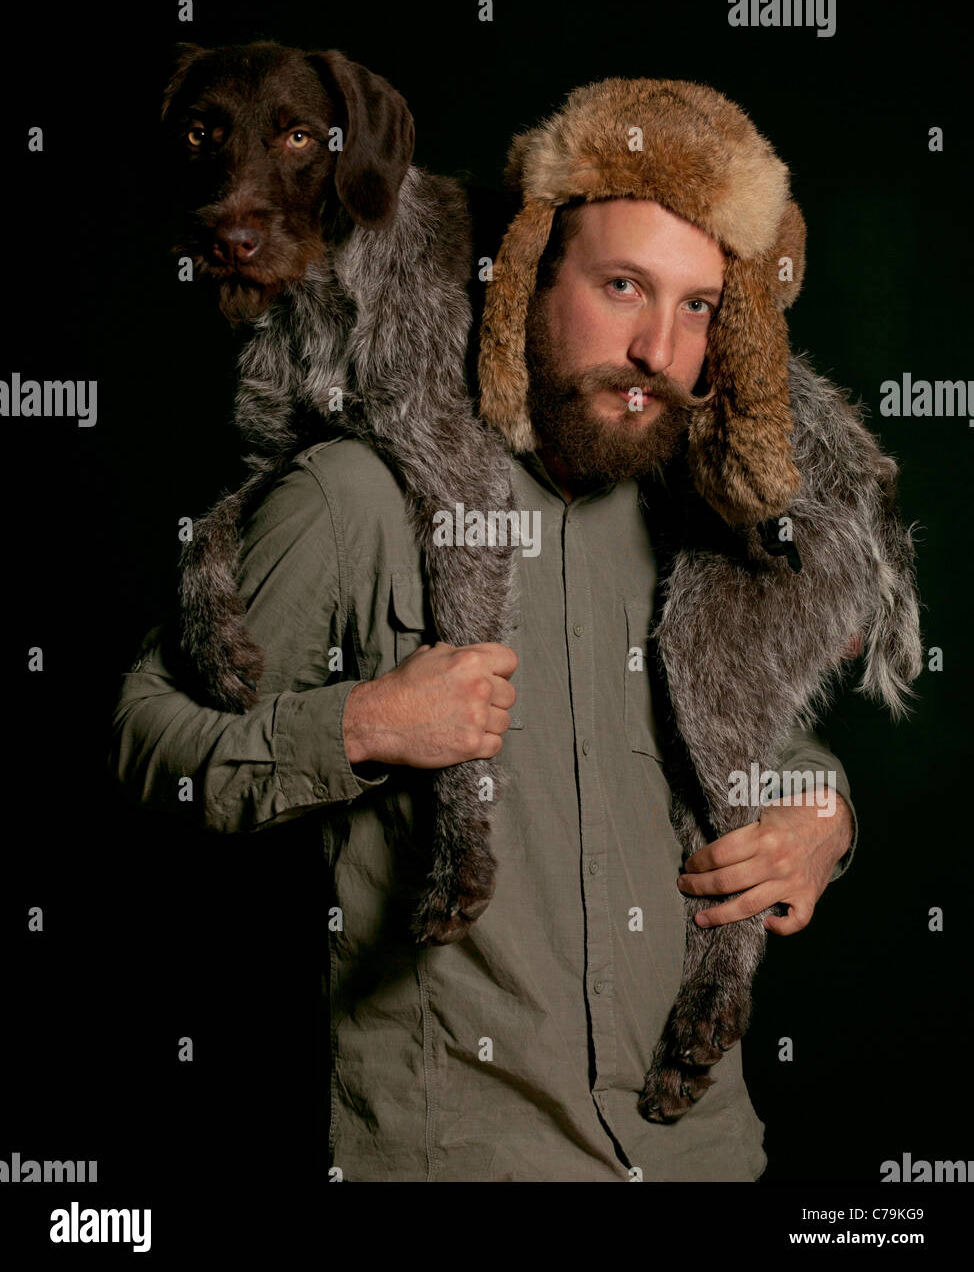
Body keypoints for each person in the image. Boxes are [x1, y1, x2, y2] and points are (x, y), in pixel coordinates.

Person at [112, 78, 921, 1182]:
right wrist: (358, 725)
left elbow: (741, 741)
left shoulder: (699, 516)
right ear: (521, 283)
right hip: (468, 1156)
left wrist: (817, 808)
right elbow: (143, 744)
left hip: (700, 1156)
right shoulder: (355, 498)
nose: (654, 348)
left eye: (694, 307)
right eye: (622, 286)